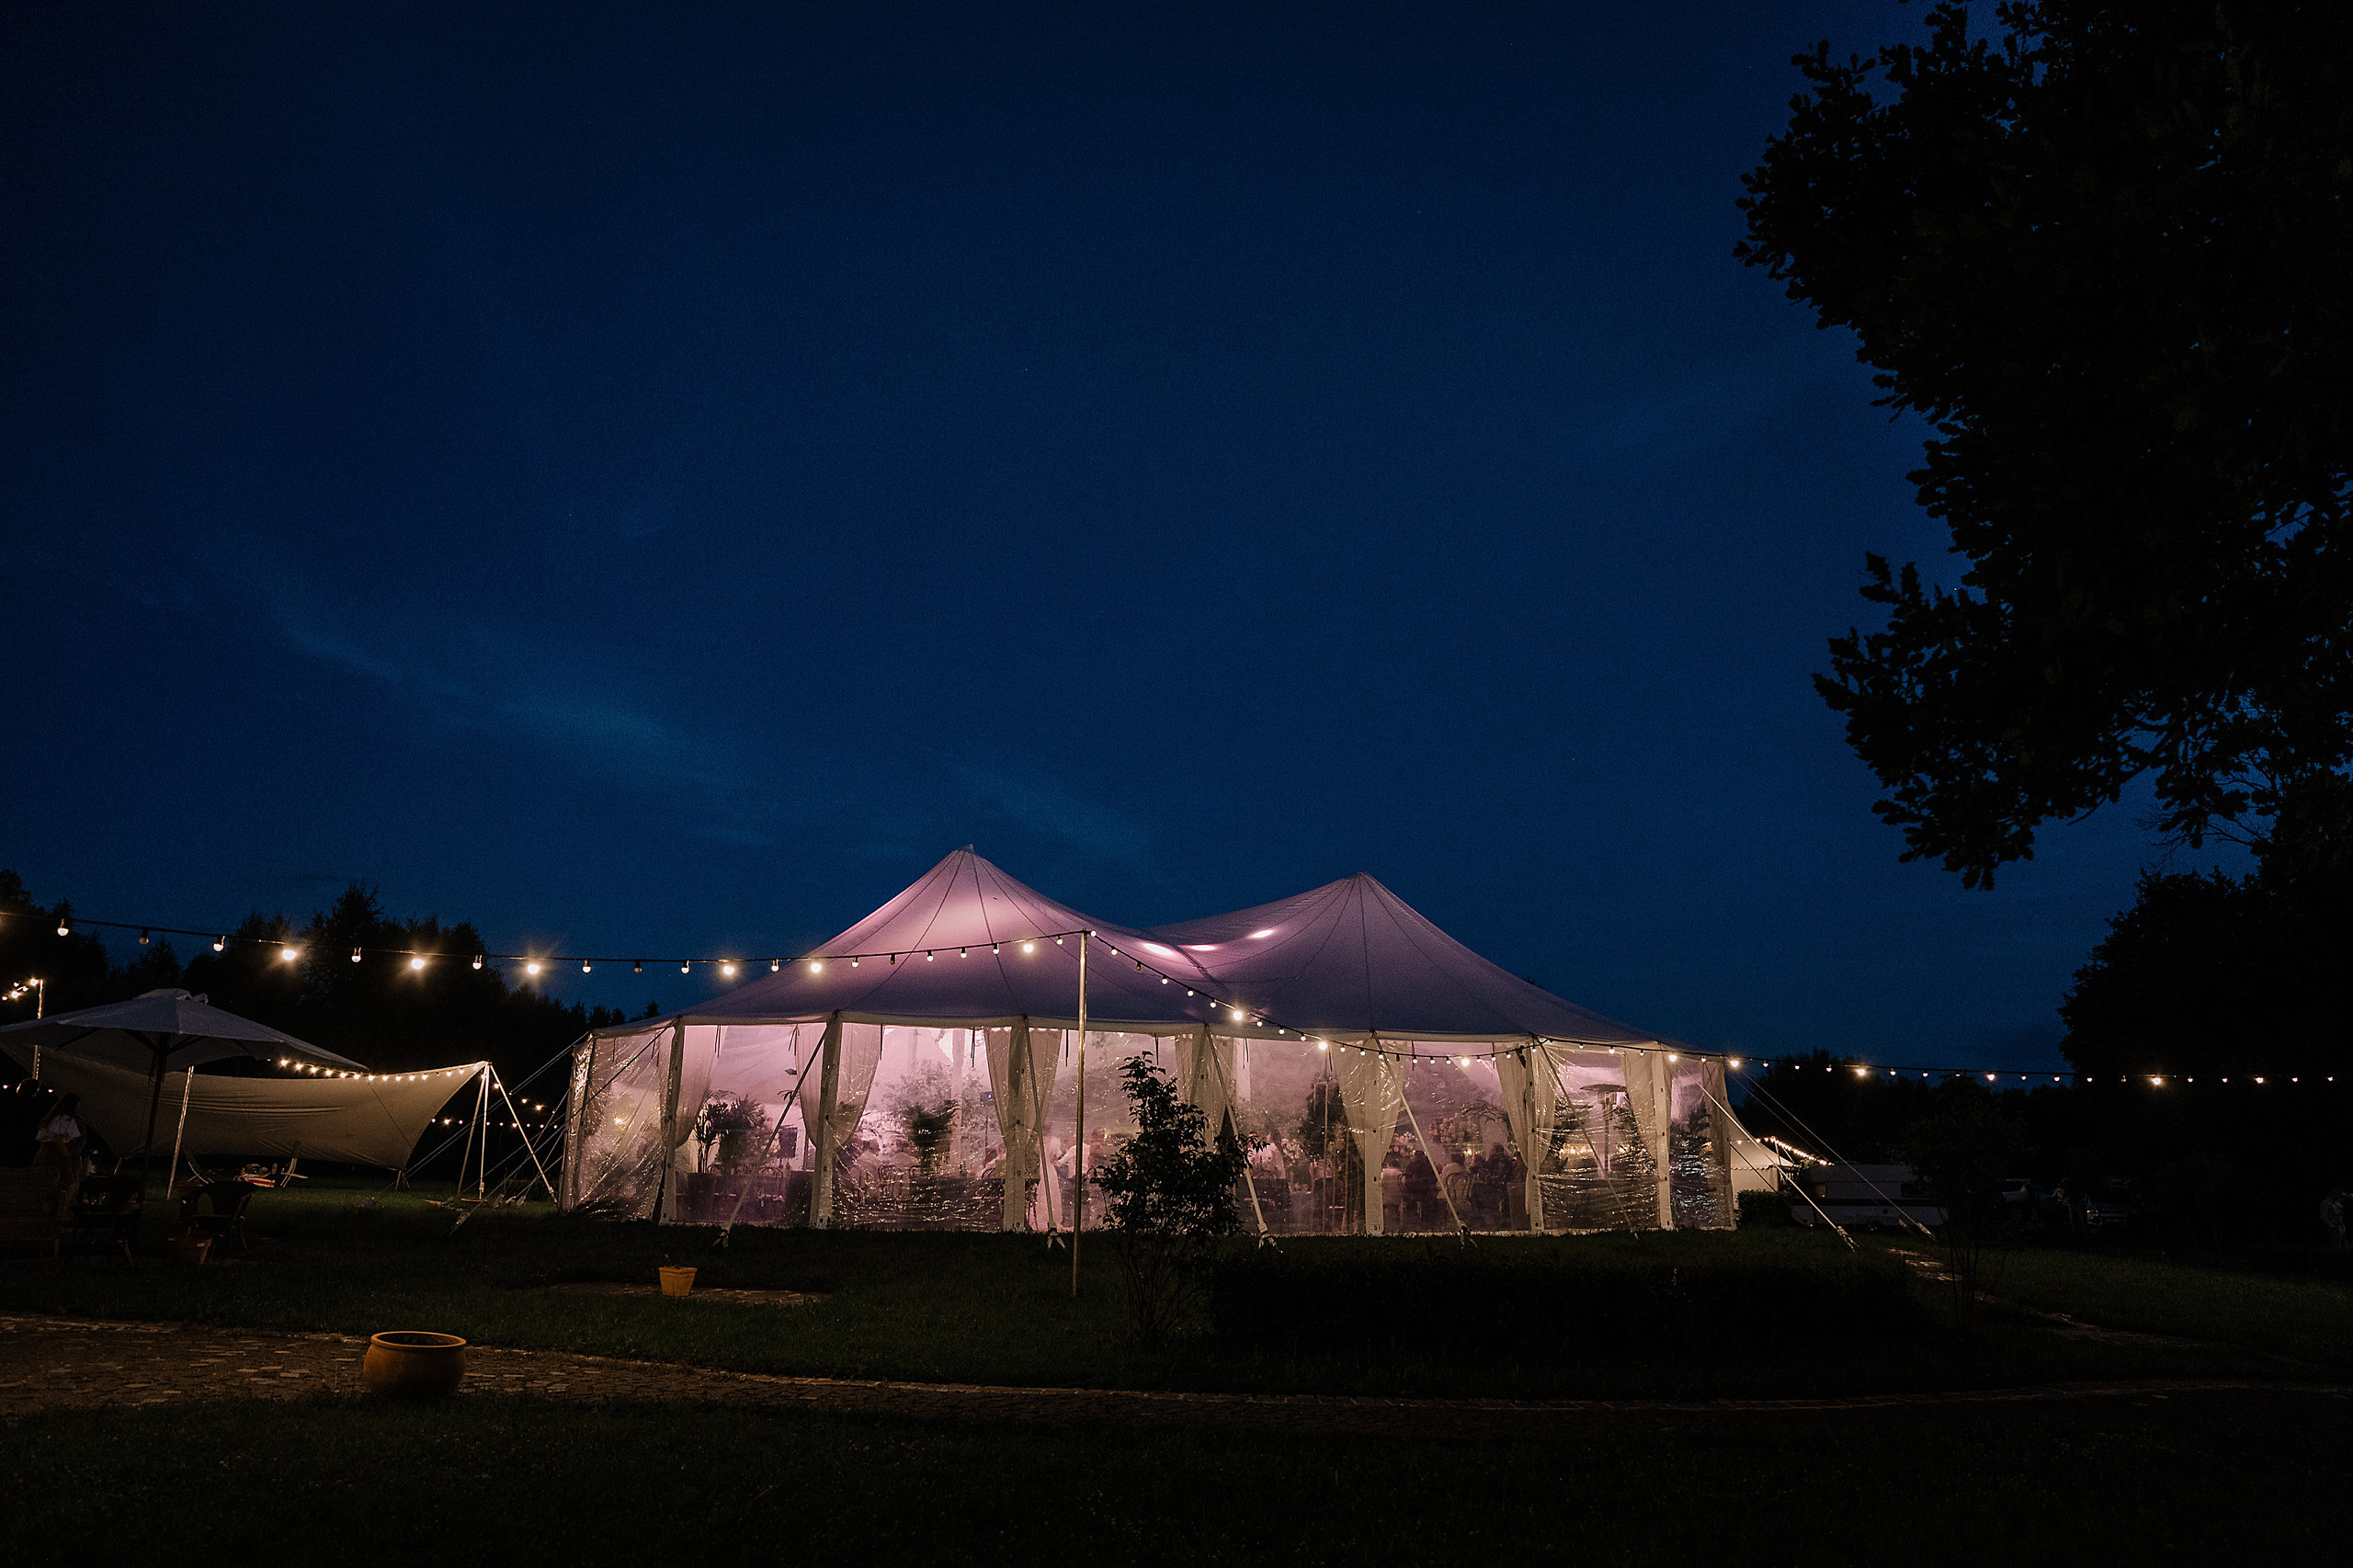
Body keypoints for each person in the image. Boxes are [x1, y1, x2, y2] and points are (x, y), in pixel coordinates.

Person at [32, 1091, 86, 1220]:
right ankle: (59, 1215)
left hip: (47, 1153)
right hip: (56, 1155)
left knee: (51, 1185)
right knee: (69, 1186)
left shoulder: (55, 1118)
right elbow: (57, 1138)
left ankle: (50, 1213)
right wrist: (65, 1153)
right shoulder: (64, 1120)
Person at [2324, 1187, 2347, 1251]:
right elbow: (2324, 1216)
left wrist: (2344, 1194)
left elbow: (2350, 1196)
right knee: (2334, 1244)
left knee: (2340, 1243)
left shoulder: (2337, 1201)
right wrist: (2332, 1226)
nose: (2337, 1193)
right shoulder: (2326, 1202)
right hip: (2333, 1225)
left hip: (2340, 1225)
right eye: (2335, 1192)